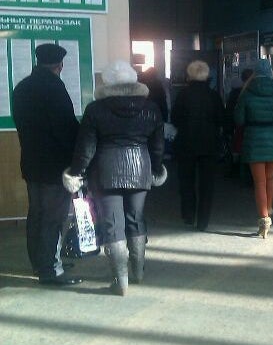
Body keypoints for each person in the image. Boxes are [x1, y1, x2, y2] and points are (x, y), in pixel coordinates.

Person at [63, 60, 165, 296]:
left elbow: (86, 147)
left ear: (107, 82)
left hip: (105, 171)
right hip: (140, 168)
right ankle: (138, 271)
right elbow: (157, 145)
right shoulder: (151, 108)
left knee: (111, 224)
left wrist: (77, 173)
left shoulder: (95, 109)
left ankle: (121, 281)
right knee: (136, 218)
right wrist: (157, 168)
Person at [12, 43, 82, 286]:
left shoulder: (21, 88)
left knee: (37, 214)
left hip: (31, 163)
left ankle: (40, 262)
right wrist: (78, 158)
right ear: (59, 65)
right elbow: (65, 129)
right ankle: (51, 270)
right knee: (54, 217)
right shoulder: (55, 88)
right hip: (55, 166)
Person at [234, 59, 273, 238]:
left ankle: (264, 219)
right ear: (270, 72)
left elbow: (239, 120)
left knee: (259, 182)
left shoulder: (247, 93)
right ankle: (269, 209)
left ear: (254, 73)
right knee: (270, 178)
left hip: (254, 139)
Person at [170, 60, 224, 231]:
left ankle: (188, 215)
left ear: (189, 75)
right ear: (207, 75)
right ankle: (203, 221)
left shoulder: (182, 95)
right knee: (207, 185)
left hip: (186, 144)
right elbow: (221, 119)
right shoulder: (214, 95)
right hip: (209, 145)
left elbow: (175, 119)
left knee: (186, 181)